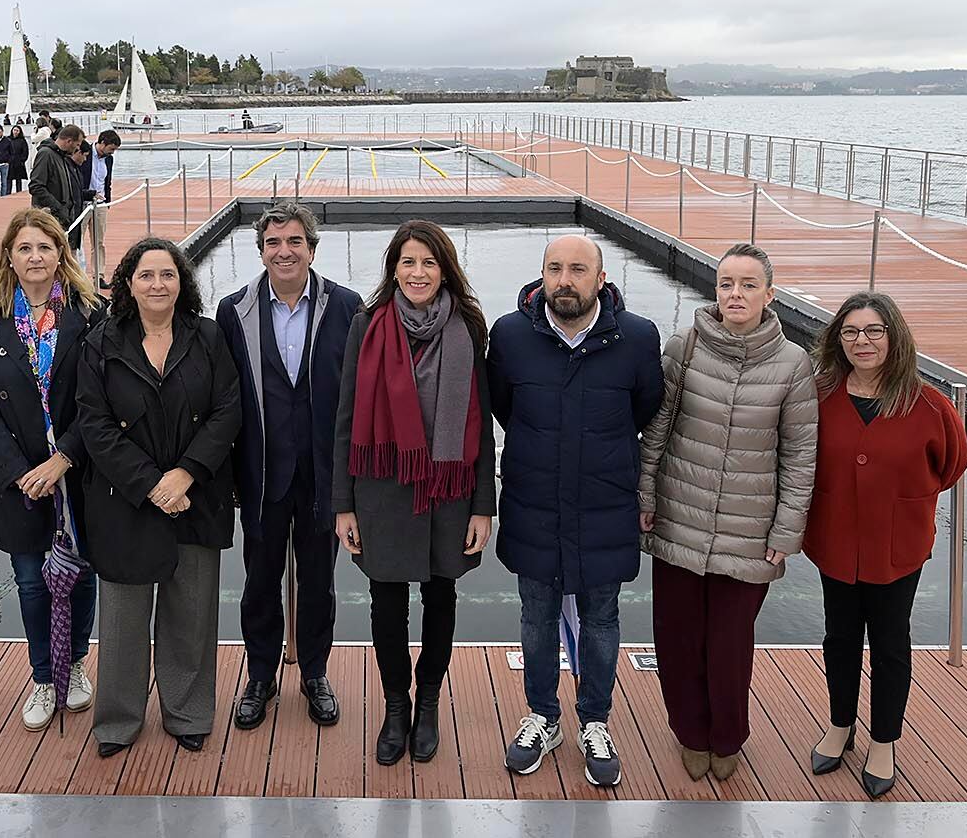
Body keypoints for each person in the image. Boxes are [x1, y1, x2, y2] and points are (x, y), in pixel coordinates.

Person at [489, 234, 663, 788]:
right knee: (536, 618)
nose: (565, 281)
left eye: (578, 270)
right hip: (534, 502)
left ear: (601, 278)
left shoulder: (636, 338)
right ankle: (542, 715)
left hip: (605, 504)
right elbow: (503, 407)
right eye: (555, 269)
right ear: (541, 275)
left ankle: (595, 719)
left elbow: (646, 404)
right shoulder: (510, 336)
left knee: (603, 618)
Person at [639, 243, 817, 783]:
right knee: (675, 636)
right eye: (725, 284)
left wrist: (787, 530)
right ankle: (690, 732)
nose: (734, 294)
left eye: (746, 285)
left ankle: (727, 736)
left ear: (770, 294)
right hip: (679, 516)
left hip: (749, 531)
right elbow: (656, 432)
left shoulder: (793, 365)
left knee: (730, 644)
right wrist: (645, 495)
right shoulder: (684, 347)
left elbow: (801, 454)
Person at [332, 220, 496, 766]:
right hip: (382, 489)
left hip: (450, 492)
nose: (418, 273)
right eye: (408, 262)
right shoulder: (368, 325)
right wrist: (343, 504)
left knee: (441, 600)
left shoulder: (470, 327)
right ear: (393, 269)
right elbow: (345, 419)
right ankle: (396, 706)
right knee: (387, 604)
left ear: (444, 268)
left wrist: (482, 506)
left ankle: (428, 705)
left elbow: (483, 422)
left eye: (428, 262)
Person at [77, 237, 241, 757]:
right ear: (128, 282)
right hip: (126, 500)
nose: (157, 284)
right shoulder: (101, 343)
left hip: (195, 496)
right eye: (146, 275)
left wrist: (186, 474)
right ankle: (119, 721)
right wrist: (151, 482)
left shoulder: (208, 338)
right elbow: (95, 425)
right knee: (123, 620)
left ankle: (188, 712)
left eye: (167, 275)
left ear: (181, 282)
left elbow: (227, 411)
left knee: (190, 616)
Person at [804, 292, 967, 798]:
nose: (862, 341)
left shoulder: (927, 403)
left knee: (891, 641)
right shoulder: (819, 394)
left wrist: (898, 498)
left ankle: (884, 740)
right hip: (835, 538)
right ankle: (839, 725)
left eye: (874, 330)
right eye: (850, 332)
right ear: (838, 340)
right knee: (840, 635)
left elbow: (952, 464)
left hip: (897, 544)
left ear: (894, 336)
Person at [216, 203, 362, 732]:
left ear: (311, 249)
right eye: (274, 243)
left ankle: (316, 673)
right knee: (259, 580)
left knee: (320, 582)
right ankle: (260, 675)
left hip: (324, 476)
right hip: (261, 476)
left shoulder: (347, 308)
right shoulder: (234, 312)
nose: (284, 251)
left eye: (295, 241)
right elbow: (225, 399)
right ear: (260, 251)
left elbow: (359, 397)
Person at [0, 208, 104, 730]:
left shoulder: (90, 314)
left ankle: (78, 664)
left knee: (80, 571)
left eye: (45, 247)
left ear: (60, 254)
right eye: (25, 248)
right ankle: (44, 676)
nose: (36, 257)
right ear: (10, 257)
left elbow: (103, 400)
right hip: (19, 475)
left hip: (77, 466)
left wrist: (62, 457)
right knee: (29, 580)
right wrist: (20, 469)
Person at [29, 124, 83, 231]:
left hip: (60, 220)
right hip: (48, 220)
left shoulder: (62, 157)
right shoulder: (46, 154)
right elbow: (36, 186)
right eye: (77, 144)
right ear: (69, 141)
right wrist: (58, 208)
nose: (78, 148)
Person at [83, 130, 121, 282]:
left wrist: (107, 202)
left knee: (98, 242)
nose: (112, 153)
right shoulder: (85, 153)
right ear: (102, 143)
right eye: (111, 148)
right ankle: (77, 276)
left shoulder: (108, 160)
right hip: (83, 203)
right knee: (76, 242)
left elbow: (108, 182)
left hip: (101, 204)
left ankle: (98, 276)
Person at [7, 124, 31, 195]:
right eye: (14, 130)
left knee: (18, 180)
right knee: (8, 180)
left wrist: (22, 160)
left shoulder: (22, 140)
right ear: (12, 131)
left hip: (19, 162)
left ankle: (19, 194)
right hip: (10, 162)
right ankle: (7, 194)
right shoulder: (8, 139)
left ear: (20, 132)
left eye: (17, 130)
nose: (15, 132)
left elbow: (25, 152)